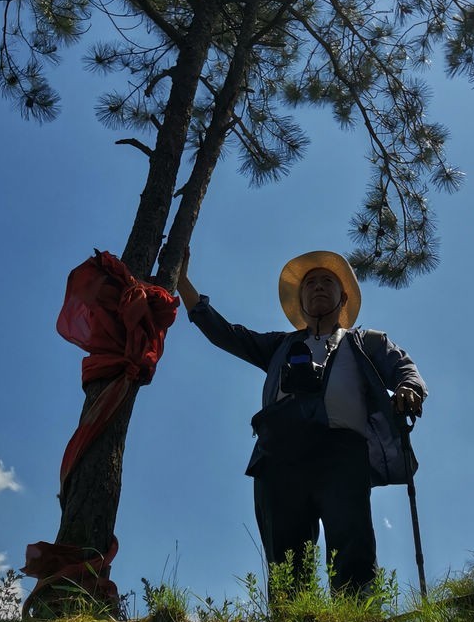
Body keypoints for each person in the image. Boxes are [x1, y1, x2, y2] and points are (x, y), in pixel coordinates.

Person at [176, 248, 426, 594]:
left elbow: (404, 368)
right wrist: (182, 283)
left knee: (352, 549)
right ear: (301, 298)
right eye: (310, 283)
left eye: (327, 282)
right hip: (279, 454)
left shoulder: (365, 342)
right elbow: (224, 333)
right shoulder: (281, 346)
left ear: (344, 297)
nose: (318, 287)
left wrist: (408, 388)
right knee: (286, 559)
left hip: (342, 452)